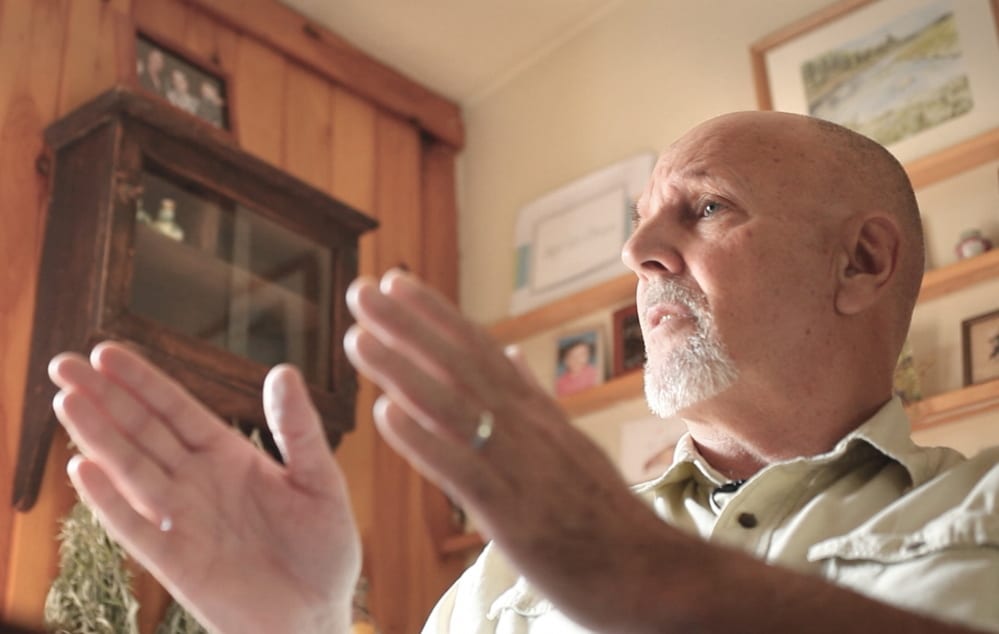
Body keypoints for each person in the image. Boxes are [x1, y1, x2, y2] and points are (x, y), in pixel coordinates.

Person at [48, 111, 999, 633]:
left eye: (704, 209)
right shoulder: (504, 575)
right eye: (639, 219)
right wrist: (300, 625)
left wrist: (639, 576)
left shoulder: (983, 517)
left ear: (861, 264)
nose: (638, 251)